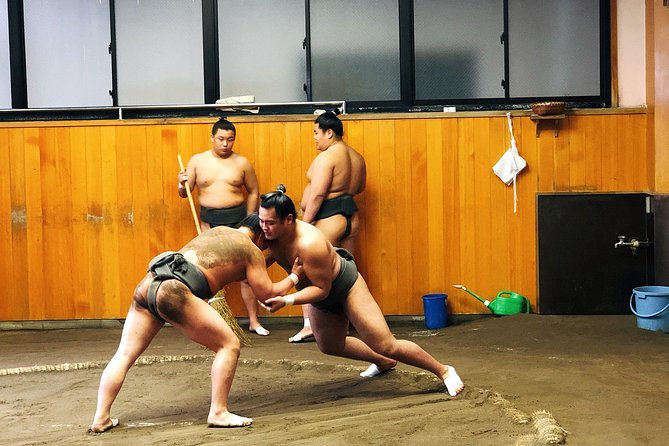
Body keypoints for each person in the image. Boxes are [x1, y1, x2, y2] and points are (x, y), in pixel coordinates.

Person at [89, 215, 303, 433]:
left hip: (149, 283)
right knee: (229, 345)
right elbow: (267, 294)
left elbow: (245, 273)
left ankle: (101, 417)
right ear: (260, 236)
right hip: (174, 290)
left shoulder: (218, 232)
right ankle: (218, 412)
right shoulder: (251, 250)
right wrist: (295, 276)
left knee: (124, 355)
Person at [258, 186, 464, 397]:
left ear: (289, 220)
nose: (264, 227)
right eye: (261, 221)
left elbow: (322, 289)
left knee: (386, 344)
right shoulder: (268, 235)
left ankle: (444, 370)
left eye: (270, 223)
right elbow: (260, 259)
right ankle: (383, 362)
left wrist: (287, 300)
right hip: (318, 294)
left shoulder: (310, 243)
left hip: (344, 286)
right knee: (330, 345)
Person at [178, 118, 269, 336]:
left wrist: (250, 219)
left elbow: (254, 191)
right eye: (220, 139)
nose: (225, 144)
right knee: (207, 274)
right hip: (209, 223)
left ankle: (254, 322)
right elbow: (185, 194)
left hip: (238, 223)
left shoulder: (242, 163)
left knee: (247, 274)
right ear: (212, 138)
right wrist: (181, 183)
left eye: (230, 139)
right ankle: (209, 323)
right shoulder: (198, 161)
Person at [291, 111, 366, 343]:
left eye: (316, 133)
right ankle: (347, 322)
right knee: (345, 272)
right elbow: (360, 187)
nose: (314, 138)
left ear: (329, 132)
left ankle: (309, 326)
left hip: (328, 216)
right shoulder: (357, 157)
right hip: (351, 218)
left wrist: (305, 225)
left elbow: (318, 194)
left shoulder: (327, 157)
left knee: (306, 265)